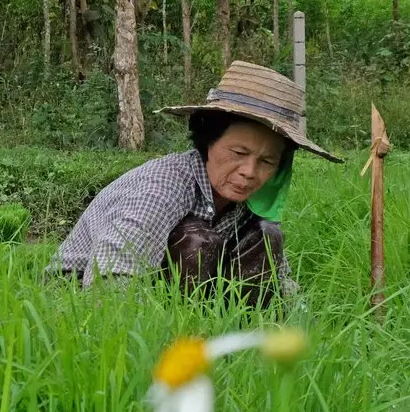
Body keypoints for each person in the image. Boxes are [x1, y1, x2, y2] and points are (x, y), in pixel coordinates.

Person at [48, 61, 341, 305]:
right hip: (75, 297)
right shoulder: (163, 186)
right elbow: (111, 281)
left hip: (165, 296)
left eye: (267, 161)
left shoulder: (249, 202)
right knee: (197, 241)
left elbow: (280, 281)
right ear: (208, 142)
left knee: (266, 235)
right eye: (239, 153)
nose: (250, 172)